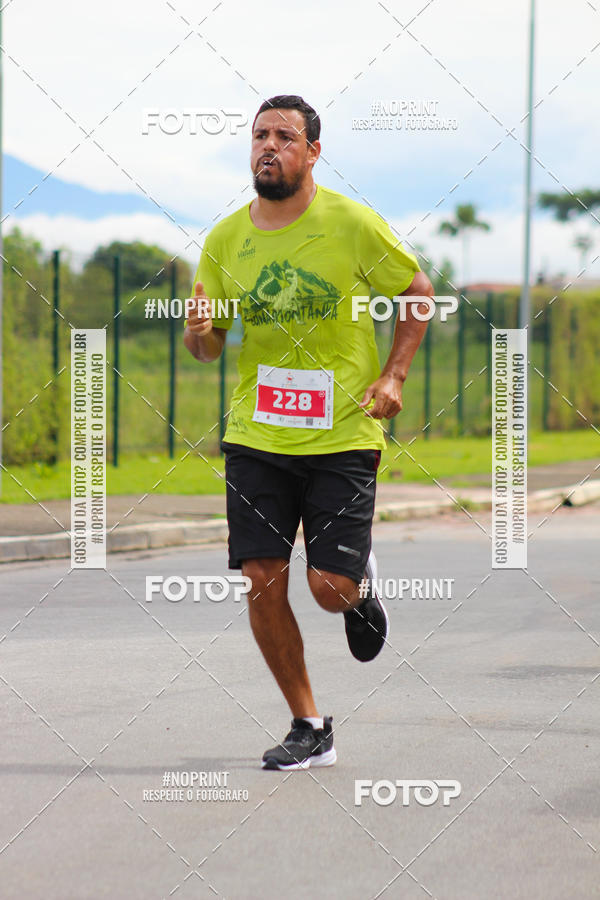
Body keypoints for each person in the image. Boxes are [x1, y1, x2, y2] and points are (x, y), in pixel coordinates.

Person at [184, 94, 433, 770]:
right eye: (259, 135)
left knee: (326, 589)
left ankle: (357, 583)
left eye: (285, 137)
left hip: (343, 433)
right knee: (262, 578)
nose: (269, 146)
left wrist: (395, 377)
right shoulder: (226, 238)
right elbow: (209, 349)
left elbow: (417, 292)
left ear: (313, 152)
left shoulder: (351, 224)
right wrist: (200, 336)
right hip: (257, 434)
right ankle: (309, 724)